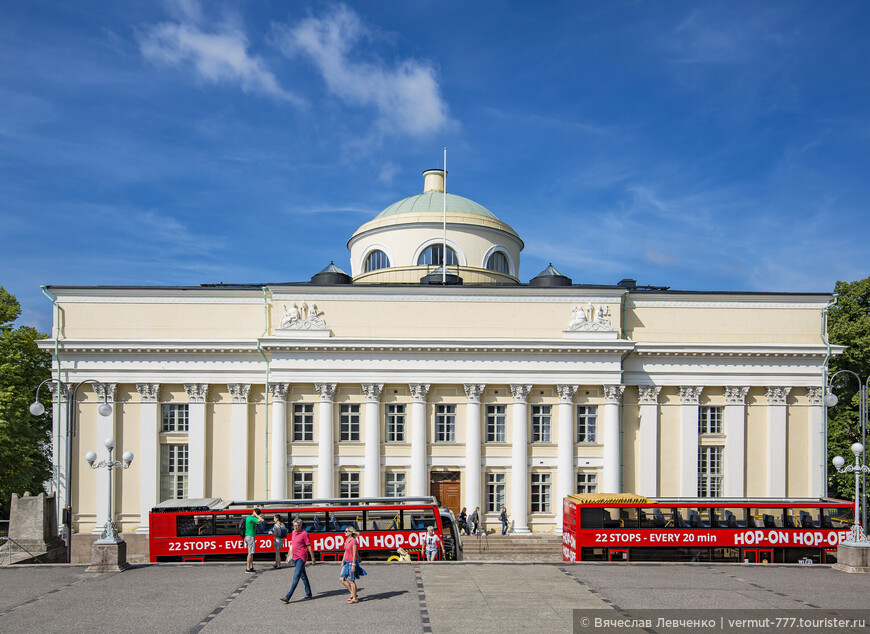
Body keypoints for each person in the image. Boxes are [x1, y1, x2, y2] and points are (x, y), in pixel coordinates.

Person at [280, 517, 315, 604]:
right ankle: (309, 593)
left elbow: (309, 546)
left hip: (301, 557)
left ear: (301, 526)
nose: (296, 527)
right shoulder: (293, 533)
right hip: (295, 557)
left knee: (296, 576)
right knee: (303, 576)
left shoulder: (304, 534)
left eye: (298, 526)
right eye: (294, 525)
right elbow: (292, 545)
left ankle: (288, 596)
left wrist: (313, 558)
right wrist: (288, 556)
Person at [339, 527, 366, 604]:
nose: (345, 532)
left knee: (351, 580)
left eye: (346, 531)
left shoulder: (354, 541)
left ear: (350, 533)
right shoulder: (347, 540)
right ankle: (353, 593)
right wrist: (342, 561)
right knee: (341, 579)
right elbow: (345, 552)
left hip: (351, 562)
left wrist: (354, 564)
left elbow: (354, 553)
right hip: (346, 562)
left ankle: (354, 598)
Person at [244, 507, 265, 573]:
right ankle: (248, 568)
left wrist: (254, 514)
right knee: (250, 553)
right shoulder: (252, 518)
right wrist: (256, 515)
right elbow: (262, 520)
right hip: (250, 536)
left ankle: (251, 567)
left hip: (247, 536)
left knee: (251, 552)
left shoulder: (248, 517)